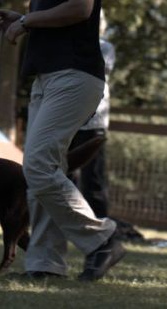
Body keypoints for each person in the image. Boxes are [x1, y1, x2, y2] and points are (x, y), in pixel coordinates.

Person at [0, 0, 124, 281]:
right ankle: (45, 265)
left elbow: (81, 7)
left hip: (74, 75)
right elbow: (59, 15)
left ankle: (102, 239)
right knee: (43, 169)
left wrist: (28, 21)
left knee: (36, 165)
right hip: (49, 78)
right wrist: (22, 18)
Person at [69, 19, 115, 219]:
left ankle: (101, 224)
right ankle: (67, 220)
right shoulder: (70, 44)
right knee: (65, 174)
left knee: (93, 177)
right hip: (69, 119)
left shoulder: (105, 47)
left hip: (94, 121)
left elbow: (97, 69)